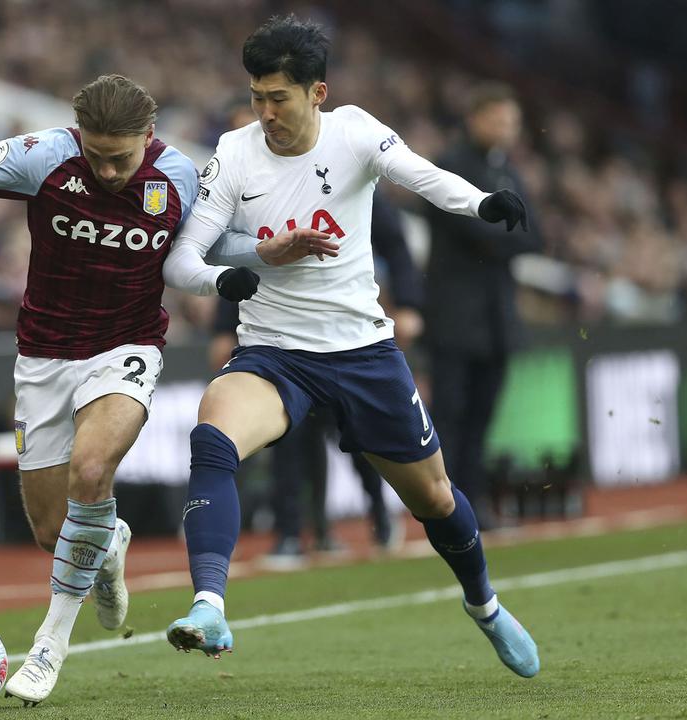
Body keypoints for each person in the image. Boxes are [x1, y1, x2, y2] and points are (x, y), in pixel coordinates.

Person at [0, 74, 328, 705]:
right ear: (79, 136)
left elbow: (216, 243)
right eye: (95, 155)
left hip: (126, 348)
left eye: (120, 157)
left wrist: (271, 249)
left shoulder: (183, 176)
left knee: (93, 466)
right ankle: (109, 540)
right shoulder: (43, 156)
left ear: (148, 138)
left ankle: (48, 647)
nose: (105, 170)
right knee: (54, 531)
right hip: (43, 358)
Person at [160, 15, 540, 678]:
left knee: (437, 500)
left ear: (318, 93)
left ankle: (484, 605)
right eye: (257, 96)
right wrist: (248, 262)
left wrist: (482, 204)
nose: (266, 112)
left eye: (278, 97)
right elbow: (182, 259)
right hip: (275, 354)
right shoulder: (234, 152)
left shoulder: (356, 133)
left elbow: (422, 177)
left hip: (363, 354)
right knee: (213, 435)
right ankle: (209, 605)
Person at [424, 83, 543, 530]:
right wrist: (502, 237)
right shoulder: (450, 166)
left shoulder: (509, 169)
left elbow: (536, 234)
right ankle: (444, 508)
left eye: (511, 122)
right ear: (474, 118)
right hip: (455, 317)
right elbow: (475, 233)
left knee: (482, 417)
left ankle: (474, 506)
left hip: (497, 319)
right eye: (498, 119)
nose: (506, 130)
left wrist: (500, 239)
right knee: (451, 415)